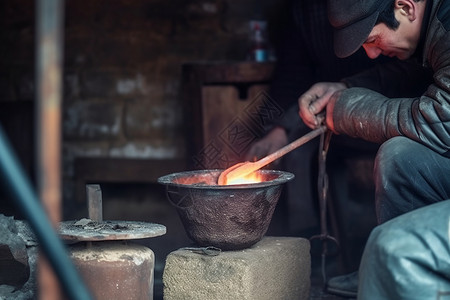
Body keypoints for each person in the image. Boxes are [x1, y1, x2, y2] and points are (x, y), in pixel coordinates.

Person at [298, 0, 449, 297]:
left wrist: (350, 111)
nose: (371, 53)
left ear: (405, 7)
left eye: (373, 39)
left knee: (400, 155)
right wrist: (346, 87)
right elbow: (419, 76)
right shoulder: (436, 25)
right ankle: (389, 270)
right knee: (400, 157)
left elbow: (442, 124)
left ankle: (401, 263)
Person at [245, 0, 386, 238]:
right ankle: (310, 241)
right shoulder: (304, 9)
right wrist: (279, 129)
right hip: (330, 107)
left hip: (384, 104)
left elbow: (404, 74)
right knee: (295, 147)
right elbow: (292, 72)